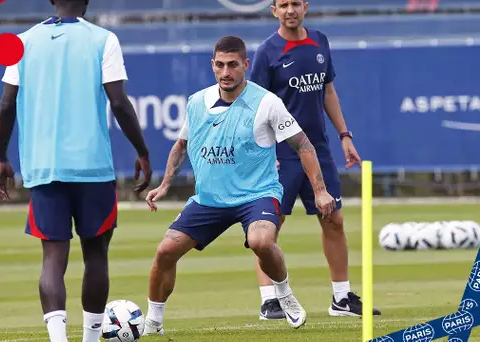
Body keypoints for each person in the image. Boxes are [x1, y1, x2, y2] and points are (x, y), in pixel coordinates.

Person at [142, 36, 335, 335]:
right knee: (165, 251)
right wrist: (165, 183)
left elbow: (304, 145)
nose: (226, 72)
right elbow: (181, 145)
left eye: (233, 65)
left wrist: (320, 190)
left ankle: (284, 293)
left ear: (245, 65)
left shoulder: (267, 102)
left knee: (261, 242)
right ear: (212, 66)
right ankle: (152, 322)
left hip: (256, 195)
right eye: (219, 65)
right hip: (209, 199)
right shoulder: (196, 102)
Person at [0, 1, 152, 341]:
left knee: (53, 258)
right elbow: (120, 103)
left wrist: (0, 157)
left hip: (44, 167)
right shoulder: (103, 39)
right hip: (92, 168)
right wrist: (142, 151)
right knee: (96, 255)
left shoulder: (22, 42)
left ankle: (58, 340)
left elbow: (6, 104)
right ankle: (91, 339)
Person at [250, 0, 381, 319]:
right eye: (283, 5)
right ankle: (270, 300)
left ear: (306, 7)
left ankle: (341, 298)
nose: (290, 10)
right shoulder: (267, 52)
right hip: (281, 152)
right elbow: (253, 106)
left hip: (318, 150)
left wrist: (345, 136)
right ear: (274, 11)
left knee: (333, 218)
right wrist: (263, 153)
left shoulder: (320, 41)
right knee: (269, 227)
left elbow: (328, 92)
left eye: (296, 3)